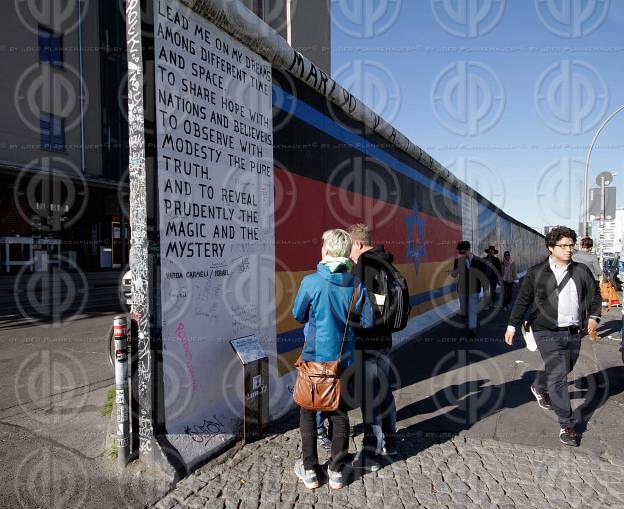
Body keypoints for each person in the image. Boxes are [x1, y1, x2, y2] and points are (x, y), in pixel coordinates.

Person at [504, 226, 601, 446]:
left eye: (571, 245)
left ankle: (539, 386)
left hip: (574, 331)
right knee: (558, 375)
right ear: (551, 248)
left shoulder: (582, 271)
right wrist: (512, 326)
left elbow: (595, 295)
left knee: (566, 368)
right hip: (545, 330)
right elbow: (523, 300)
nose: (569, 249)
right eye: (564, 245)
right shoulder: (536, 272)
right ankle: (567, 425)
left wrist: (595, 316)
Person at [292, 229, 373, 490]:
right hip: (344, 361)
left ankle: (310, 470)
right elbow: (369, 321)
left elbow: (298, 314)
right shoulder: (357, 285)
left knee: (307, 411)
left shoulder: (310, 282)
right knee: (339, 413)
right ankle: (337, 471)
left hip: (314, 360)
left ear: (327, 250)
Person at [346, 223, 400, 473]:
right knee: (384, 390)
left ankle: (372, 452)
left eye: (350, 248)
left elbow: (356, 309)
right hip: (385, 338)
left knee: (370, 397)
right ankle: (391, 440)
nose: (349, 254)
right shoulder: (387, 262)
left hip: (366, 341)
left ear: (358, 243)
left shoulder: (362, 268)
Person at [451, 241, 488, 338]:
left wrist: (485, 289)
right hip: (462, 289)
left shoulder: (479, 261)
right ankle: (464, 325)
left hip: (474, 289)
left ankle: (471, 330)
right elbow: (454, 275)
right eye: (460, 253)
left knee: (472, 310)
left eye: (463, 252)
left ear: (468, 250)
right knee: (463, 309)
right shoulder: (458, 260)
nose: (461, 254)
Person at [484, 246, 502, 310]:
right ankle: (486, 305)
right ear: (488, 252)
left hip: (493, 278)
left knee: (493, 291)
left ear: (494, 252)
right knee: (486, 292)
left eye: (492, 251)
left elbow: (499, 270)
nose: (491, 252)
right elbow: (481, 268)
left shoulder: (497, 260)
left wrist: (499, 278)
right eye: (490, 251)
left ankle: (493, 302)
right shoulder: (484, 259)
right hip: (485, 278)